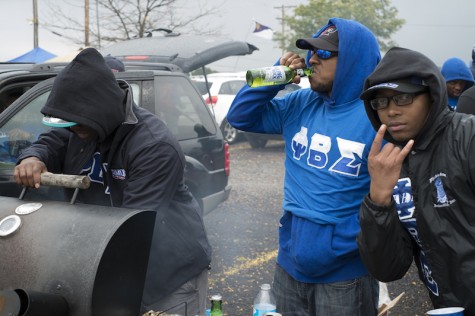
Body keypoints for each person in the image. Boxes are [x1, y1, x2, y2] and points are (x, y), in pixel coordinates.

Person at [13, 47, 211, 316]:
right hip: (111, 265)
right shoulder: (80, 127)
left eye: (78, 125)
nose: (73, 131)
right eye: (68, 124)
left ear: (102, 110)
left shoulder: (153, 146)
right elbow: (53, 139)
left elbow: (133, 229)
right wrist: (32, 157)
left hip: (167, 277)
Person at [227, 18, 381, 315]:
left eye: (324, 53)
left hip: (346, 275)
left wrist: (340, 245)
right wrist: (276, 74)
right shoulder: (300, 103)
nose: (312, 59)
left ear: (353, 60)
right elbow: (240, 116)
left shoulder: (376, 118)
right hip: (289, 265)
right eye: (311, 51)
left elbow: (393, 197)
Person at [357, 47, 475, 314]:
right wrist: (378, 200)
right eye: (381, 102)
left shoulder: (468, 138)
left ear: (431, 96)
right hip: (446, 306)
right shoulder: (391, 164)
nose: (390, 111)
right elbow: (388, 268)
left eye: (402, 98)